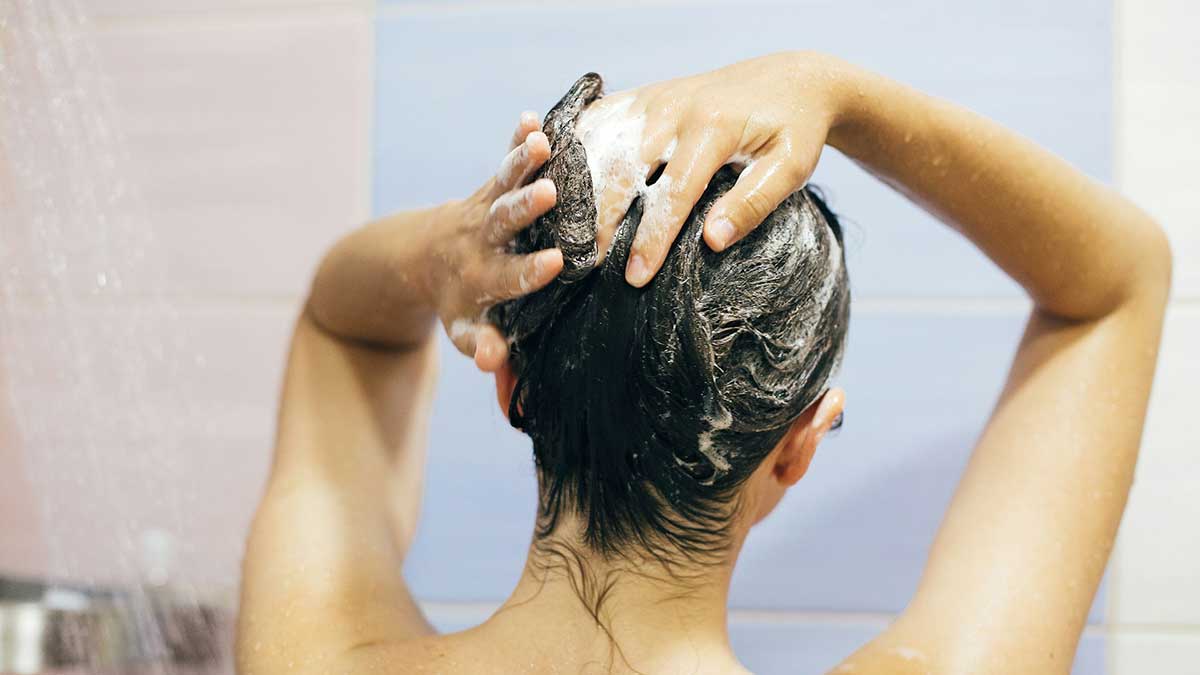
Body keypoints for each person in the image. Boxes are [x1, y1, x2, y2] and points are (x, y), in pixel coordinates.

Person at [236, 52, 1171, 674]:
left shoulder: (309, 655)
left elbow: (342, 327)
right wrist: (837, 91)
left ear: (509, 381)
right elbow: (1116, 283)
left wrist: (446, 250)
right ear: (798, 446)